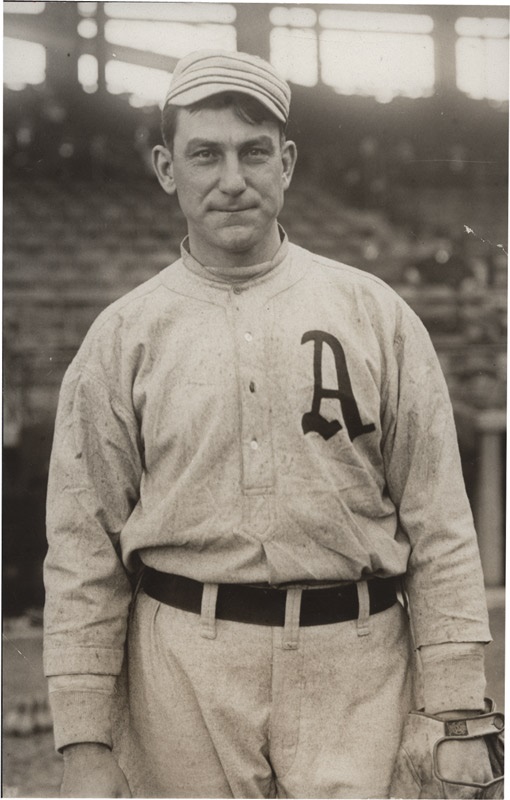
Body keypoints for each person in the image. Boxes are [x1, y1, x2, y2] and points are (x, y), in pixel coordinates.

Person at [44, 50, 494, 799]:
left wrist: (455, 708)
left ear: (286, 163)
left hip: (356, 666)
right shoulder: (122, 337)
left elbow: (440, 521)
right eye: (204, 155)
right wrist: (85, 738)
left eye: (254, 153)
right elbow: (84, 547)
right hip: (184, 672)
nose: (231, 180)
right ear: (166, 169)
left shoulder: (374, 313)